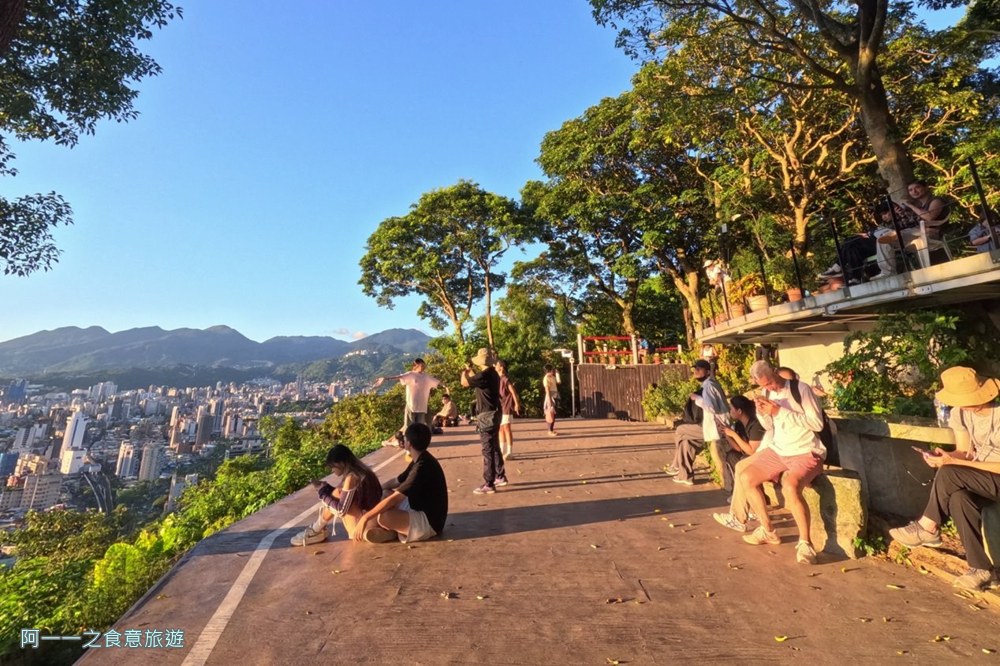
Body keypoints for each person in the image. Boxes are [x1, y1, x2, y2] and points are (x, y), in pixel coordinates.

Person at [888, 366, 1000, 591]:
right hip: (981, 479)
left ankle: (928, 527)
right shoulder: (960, 413)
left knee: (950, 472)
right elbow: (964, 451)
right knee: (959, 498)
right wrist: (946, 457)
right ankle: (982, 569)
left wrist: (956, 464)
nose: (964, 404)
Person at [738, 360, 826, 565]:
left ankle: (805, 543)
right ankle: (768, 530)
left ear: (775, 372)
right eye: (764, 385)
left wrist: (780, 411)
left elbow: (817, 424)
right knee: (746, 477)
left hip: (805, 450)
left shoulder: (800, 389)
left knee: (790, 487)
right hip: (779, 449)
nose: (769, 388)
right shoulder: (767, 393)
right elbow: (769, 426)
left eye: (770, 382)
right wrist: (762, 412)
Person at [353, 423, 448, 544]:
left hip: (430, 523)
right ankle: (395, 529)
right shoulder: (421, 458)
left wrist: (365, 518)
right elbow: (396, 481)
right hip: (418, 508)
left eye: (405, 438)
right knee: (385, 493)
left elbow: (395, 499)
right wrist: (379, 490)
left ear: (409, 444)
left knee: (384, 516)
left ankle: (393, 531)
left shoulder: (421, 468)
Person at [290, 444, 383, 545]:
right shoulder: (363, 471)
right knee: (336, 492)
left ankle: (316, 530)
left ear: (341, 463)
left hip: (360, 526)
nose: (332, 470)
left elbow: (341, 510)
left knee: (336, 493)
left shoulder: (351, 477)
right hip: (372, 518)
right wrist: (325, 488)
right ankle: (317, 529)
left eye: (332, 466)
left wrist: (322, 492)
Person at [664, 360, 728, 486]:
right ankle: (685, 476)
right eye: (695, 369)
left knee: (680, 430)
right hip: (712, 426)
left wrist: (697, 398)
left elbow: (711, 408)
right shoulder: (709, 384)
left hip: (716, 427)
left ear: (708, 372)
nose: (696, 372)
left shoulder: (709, 386)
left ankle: (676, 465)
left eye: (699, 369)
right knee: (687, 443)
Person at [462, 348, 507, 494]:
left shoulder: (483, 375)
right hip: (495, 412)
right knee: (494, 446)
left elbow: (465, 383)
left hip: (486, 415)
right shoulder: (492, 373)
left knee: (487, 449)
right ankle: (500, 475)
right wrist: (471, 371)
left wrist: (464, 372)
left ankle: (489, 483)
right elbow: (476, 380)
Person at [711, 395, 766, 500]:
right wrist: (726, 433)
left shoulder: (755, 424)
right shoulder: (739, 425)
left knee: (743, 460)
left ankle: (754, 495)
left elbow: (752, 451)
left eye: (731, 408)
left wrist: (734, 434)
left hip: (760, 457)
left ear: (739, 411)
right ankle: (740, 492)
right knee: (731, 455)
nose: (730, 411)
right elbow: (738, 448)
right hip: (747, 455)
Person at [375, 358, 444, 434]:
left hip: (422, 406)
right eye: (421, 366)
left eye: (424, 365)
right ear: (415, 366)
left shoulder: (426, 376)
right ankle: (407, 439)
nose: (423, 367)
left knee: (420, 426)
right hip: (411, 405)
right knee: (409, 426)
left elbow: (437, 381)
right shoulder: (410, 374)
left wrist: (445, 387)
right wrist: (385, 379)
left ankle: (418, 440)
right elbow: (399, 377)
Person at [496, 359, 522, 460]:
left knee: (506, 428)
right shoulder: (497, 378)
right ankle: (502, 450)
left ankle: (510, 452)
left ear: (501, 367)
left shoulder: (505, 379)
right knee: (500, 428)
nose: (495, 366)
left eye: (497, 364)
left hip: (506, 406)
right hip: (500, 406)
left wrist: (516, 404)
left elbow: (513, 391)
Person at [542, 364, 560, 436]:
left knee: (554, 413)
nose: (553, 371)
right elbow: (547, 390)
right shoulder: (546, 378)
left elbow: (559, 382)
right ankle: (549, 430)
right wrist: (549, 401)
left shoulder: (552, 377)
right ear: (548, 371)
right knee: (550, 413)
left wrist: (558, 374)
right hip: (550, 396)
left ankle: (551, 429)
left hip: (555, 395)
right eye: (552, 370)